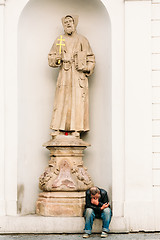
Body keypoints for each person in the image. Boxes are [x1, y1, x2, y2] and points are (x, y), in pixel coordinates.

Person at [48, 15, 95, 133]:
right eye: (66, 22)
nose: (68, 24)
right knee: (62, 100)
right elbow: (51, 57)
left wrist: (86, 67)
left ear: (75, 23)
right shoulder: (59, 40)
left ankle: (76, 129)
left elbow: (91, 59)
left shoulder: (82, 40)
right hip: (64, 74)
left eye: (70, 21)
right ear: (63, 25)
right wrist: (57, 59)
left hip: (78, 76)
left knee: (77, 101)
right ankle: (58, 129)